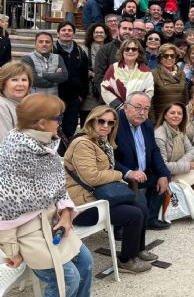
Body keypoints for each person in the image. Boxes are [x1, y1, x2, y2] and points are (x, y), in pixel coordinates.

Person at [0, 93, 93, 296]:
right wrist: (12, 251)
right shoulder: (15, 153)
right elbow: (4, 209)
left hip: (54, 223)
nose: (61, 123)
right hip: (29, 234)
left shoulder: (46, 146)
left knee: (86, 263)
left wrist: (67, 213)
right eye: (58, 118)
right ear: (42, 123)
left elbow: (58, 187)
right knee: (68, 280)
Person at [64, 106, 157, 273]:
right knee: (134, 214)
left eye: (110, 123)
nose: (106, 126)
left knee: (141, 206)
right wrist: (118, 174)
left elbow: (98, 176)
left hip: (98, 198)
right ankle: (126, 260)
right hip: (83, 206)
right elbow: (91, 177)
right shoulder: (82, 143)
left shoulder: (102, 142)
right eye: (101, 121)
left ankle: (137, 250)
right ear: (92, 120)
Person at [114, 92, 171, 230]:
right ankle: (120, 227)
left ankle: (150, 220)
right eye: (138, 107)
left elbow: (154, 151)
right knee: (140, 205)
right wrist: (128, 172)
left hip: (142, 174)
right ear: (126, 107)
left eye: (146, 109)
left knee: (161, 177)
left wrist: (164, 174)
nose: (142, 112)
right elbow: (108, 159)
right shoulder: (114, 124)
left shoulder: (147, 124)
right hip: (121, 176)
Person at [154, 103, 194, 198]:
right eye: (172, 113)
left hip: (174, 168)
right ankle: (176, 201)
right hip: (163, 174)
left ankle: (186, 200)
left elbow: (192, 150)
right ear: (165, 116)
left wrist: (181, 165)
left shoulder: (179, 132)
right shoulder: (159, 135)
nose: (176, 116)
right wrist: (187, 165)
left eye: (179, 113)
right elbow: (163, 165)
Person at [54, 21, 90, 142]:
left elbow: (85, 75)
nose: (66, 33)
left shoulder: (80, 51)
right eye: (63, 30)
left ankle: (65, 155)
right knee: (53, 128)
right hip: (56, 98)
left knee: (69, 130)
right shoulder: (52, 50)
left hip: (74, 99)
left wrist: (82, 95)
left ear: (74, 34)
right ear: (58, 33)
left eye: (69, 30)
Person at [101, 38, 153, 112]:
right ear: (122, 51)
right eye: (127, 49)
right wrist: (119, 106)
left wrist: (136, 106)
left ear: (139, 52)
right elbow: (105, 89)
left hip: (138, 111)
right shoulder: (113, 68)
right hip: (116, 111)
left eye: (134, 49)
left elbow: (149, 92)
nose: (130, 51)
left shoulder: (146, 71)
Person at [22, 31, 68, 96]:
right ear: (35, 44)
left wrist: (42, 75)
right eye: (40, 42)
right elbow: (33, 79)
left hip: (53, 99)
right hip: (33, 99)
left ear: (52, 44)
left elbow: (64, 76)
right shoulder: (27, 58)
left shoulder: (58, 57)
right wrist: (55, 80)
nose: (44, 44)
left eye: (47, 42)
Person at [93, 16, 136, 86]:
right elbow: (99, 77)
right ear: (118, 30)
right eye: (124, 28)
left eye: (130, 29)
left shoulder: (138, 49)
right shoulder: (105, 49)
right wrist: (108, 95)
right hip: (110, 93)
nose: (127, 31)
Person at [151, 43, 189, 121]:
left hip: (179, 119)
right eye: (166, 56)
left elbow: (185, 98)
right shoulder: (153, 73)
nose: (169, 58)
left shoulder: (182, 73)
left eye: (172, 56)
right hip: (160, 119)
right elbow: (151, 102)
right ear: (160, 58)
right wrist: (154, 122)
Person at [0, 62, 32, 142]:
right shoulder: (2, 106)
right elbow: (5, 143)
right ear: (3, 83)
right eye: (14, 80)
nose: (20, 84)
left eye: (24, 80)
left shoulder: (26, 104)